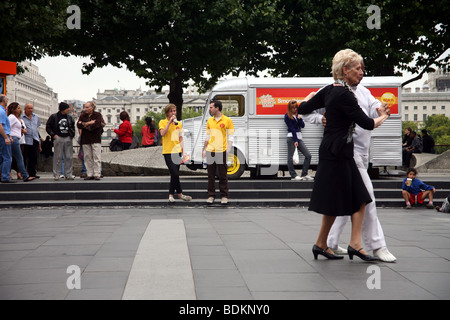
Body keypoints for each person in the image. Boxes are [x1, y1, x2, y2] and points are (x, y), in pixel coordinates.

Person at [298, 49, 389, 261]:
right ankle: (357, 245)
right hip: (340, 153)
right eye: (358, 68)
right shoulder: (345, 95)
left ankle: (323, 243)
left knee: (338, 201)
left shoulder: (331, 90)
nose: (362, 72)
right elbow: (367, 123)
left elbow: (302, 107)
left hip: (336, 151)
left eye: (362, 69)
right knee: (361, 198)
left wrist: (307, 98)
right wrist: (383, 117)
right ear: (344, 70)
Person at [202, 100, 235, 205]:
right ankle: (211, 195)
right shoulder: (209, 121)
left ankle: (224, 196)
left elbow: (231, 136)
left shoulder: (227, 120)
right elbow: (207, 137)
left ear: (217, 108)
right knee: (210, 175)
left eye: (211, 107)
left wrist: (228, 148)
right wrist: (204, 149)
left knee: (222, 174)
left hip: (222, 150)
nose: (210, 109)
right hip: (210, 150)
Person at [159, 104, 192, 203]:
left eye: (174, 111)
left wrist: (183, 150)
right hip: (168, 151)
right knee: (175, 173)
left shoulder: (179, 124)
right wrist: (169, 122)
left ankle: (171, 195)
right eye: (171, 111)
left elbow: (180, 137)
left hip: (177, 151)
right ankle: (180, 194)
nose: (173, 113)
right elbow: (162, 133)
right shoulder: (163, 122)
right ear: (167, 113)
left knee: (174, 174)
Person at [46, 102, 76, 180]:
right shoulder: (54, 117)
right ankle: (57, 174)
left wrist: (71, 135)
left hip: (68, 138)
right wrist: (53, 135)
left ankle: (68, 174)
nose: (69, 109)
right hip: (58, 137)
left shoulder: (69, 117)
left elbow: (72, 126)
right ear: (63, 109)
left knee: (69, 156)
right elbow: (48, 126)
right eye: (67, 108)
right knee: (58, 157)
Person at [284, 100, 313, 181]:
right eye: (293, 108)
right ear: (290, 108)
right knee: (290, 157)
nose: (295, 109)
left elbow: (303, 126)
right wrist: (295, 140)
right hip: (291, 138)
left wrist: (300, 119)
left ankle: (304, 174)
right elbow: (292, 129)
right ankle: (293, 175)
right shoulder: (287, 116)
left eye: (296, 107)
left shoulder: (297, 116)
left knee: (308, 155)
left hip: (298, 138)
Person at [7, 102, 35, 182]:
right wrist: (9, 136)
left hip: (16, 139)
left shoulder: (15, 118)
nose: (20, 110)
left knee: (9, 158)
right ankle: (24, 175)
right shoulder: (12, 117)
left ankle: (6, 174)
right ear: (13, 109)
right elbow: (7, 127)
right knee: (19, 158)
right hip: (14, 139)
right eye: (18, 108)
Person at [77, 101, 104, 180]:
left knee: (96, 157)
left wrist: (85, 124)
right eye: (85, 107)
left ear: (92, 108)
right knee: (87, 157)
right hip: (85, 139)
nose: (85, 109)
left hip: (95, 139)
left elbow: (97, 124)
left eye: (87, 107)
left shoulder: (98, 115)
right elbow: (78, 124)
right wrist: (89, 123)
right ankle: (90, 173)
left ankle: (97, 174)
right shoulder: (82, 115)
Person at [21, 103, 41, 179]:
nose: (30, 110)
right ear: (25, 109)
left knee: (34, 158)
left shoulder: (35, 117)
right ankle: (23, 173)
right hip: (26, 140)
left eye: (31, 108)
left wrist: (39, 140)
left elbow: (36, 128)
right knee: (25, 157)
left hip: (34, 139)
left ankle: (32, 173)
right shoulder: (21, 117)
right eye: (29, 108)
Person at [0, 95, 14, 183]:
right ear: (4, 100)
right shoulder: (1, 111)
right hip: (3, 135)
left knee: (1, 157)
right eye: (7, 100)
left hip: (4, 135)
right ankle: (5, 176)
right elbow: (1, 125)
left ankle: (2, 175)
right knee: (7, 157)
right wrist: (6, 137)